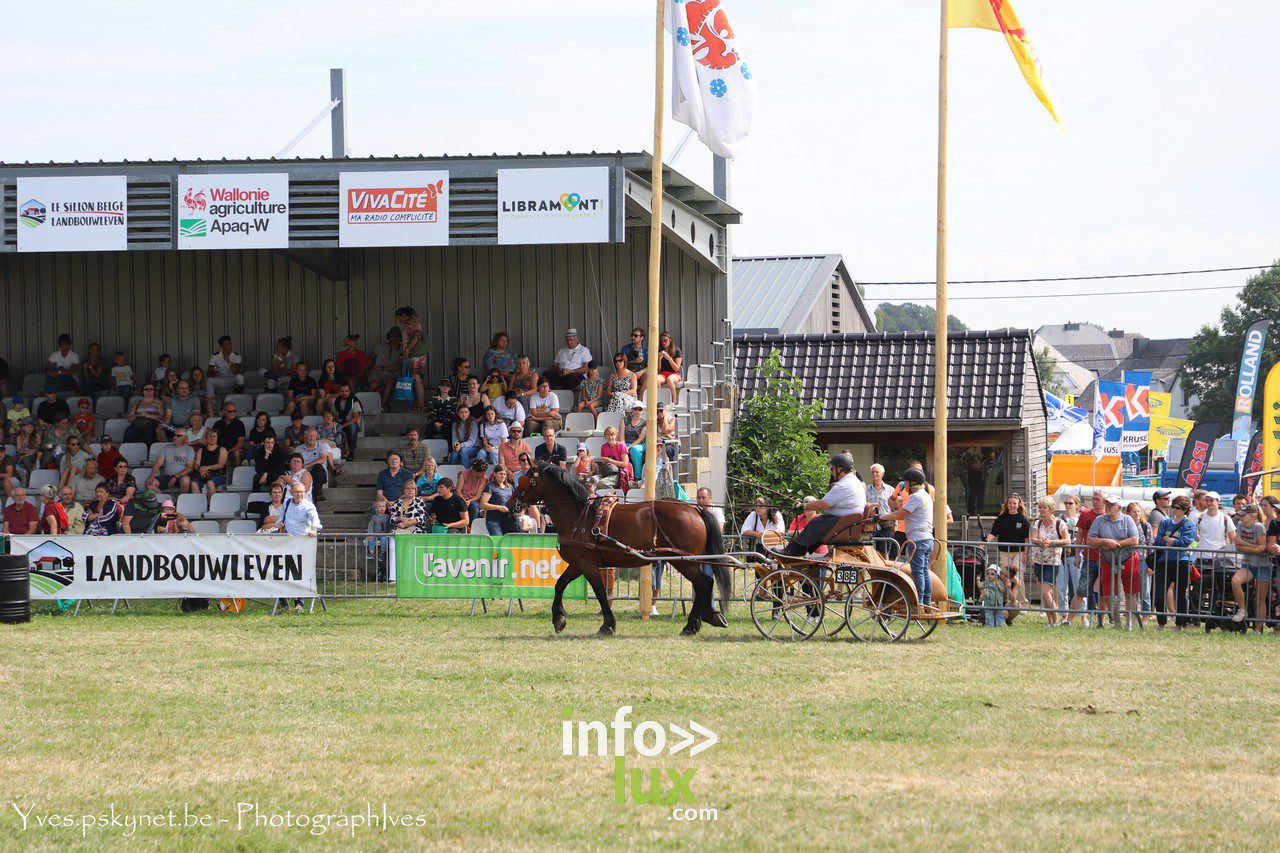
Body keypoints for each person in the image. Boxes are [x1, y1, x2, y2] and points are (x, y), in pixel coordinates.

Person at [879, 467, 934, 606]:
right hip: (927, 539)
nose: (904, 486)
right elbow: (906, 515)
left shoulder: (916, 497)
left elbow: (899, 515)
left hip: (918, 540)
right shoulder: (926, 495)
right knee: (924, 572)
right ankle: (927, 604)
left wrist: (880, 517)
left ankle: (919, 605)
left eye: (906, 483)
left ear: (912, 483)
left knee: (918, 573)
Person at [1087, 494, 1142, 628]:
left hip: (1128, 559)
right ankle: (1116, 621)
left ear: (1118, 507)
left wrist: (1116, 544)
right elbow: (1090, 539)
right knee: (1108, 593)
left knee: (1130, 592)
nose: (1108, 507)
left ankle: (1130, 621)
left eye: (1111, 505)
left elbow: (1135, 540)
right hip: (1108, 560)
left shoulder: (1127, 519)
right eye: (1107, 504)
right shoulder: (1099, 520)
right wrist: (1105, 541)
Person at [1153, 495, 1198, 629]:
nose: (1174, 509)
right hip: (1164, 561)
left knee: (1180, 594)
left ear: (1185, 509)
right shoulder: (1165, 523)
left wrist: (1171, 541)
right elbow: (1158, 540)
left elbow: (1186, 542)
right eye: (1173, 506)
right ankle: (1161, 622)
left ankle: (1180, 623)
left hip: (1181, 562)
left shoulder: (1189, 524)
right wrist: (1171, 542)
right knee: (1159, 594)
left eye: (1177, 507)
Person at [1029, 496, 1070, 626]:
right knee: (1044, 593)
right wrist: (1040, 541)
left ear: (1051, 509)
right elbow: (1033, 539)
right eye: (1040, 507)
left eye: (1044, 507)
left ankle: (1056, 619)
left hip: (1053, 562)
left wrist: (1051, 542)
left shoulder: (1060, 523)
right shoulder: (1038, 523)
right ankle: (1050, 621)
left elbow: (1067, 540)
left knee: (1046, 592)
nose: (1041, 510)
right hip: (1038, 560)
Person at [1230, 504, 1271, 630]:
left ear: (1252, 516)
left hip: (1262, 566)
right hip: (1247, 564)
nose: (1240, 517)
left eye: (1244, 515)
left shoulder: (1259, 527)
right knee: (1235, 581)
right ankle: (1242, 609)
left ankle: (1258, 630)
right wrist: (1251, 547)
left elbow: (1262, 548)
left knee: (1260, 598)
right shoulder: (1240, 525)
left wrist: (1244, 544)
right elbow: (1238, 547)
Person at [986, 495, 1031, 606]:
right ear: (1007, 505)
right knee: (1005, 576)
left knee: (1018, 576)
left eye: (1014, 503)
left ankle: (1021, 603)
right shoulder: (1001, 518)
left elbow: (1027, 538)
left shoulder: (1023, 519)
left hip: (1019, 552)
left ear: (1018, 504)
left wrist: (1025, 553)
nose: (1012, 505)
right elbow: (993, 533)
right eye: (1010, 503)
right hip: (1004, 551)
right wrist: (985, 542)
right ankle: (1006, 601)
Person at [1075, 489, 1107, 622]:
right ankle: (1070, 619)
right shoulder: (1085, 514)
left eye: (1097, 499)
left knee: (1103, 592)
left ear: (1104, 501)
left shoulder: (1108, 516)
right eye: (1093, 499)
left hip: (1105, 559)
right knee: (1081, 589)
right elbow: (1080, 535)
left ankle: (1100, 620)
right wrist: (1077, 554)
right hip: (1089, 558)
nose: (1094, 501)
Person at [394, 306, 430, 410]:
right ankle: (419, 403)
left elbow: (415, 338)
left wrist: (407, 350)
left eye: (399, 317)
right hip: (417, 356)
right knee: (417, 379)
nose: (399, 320)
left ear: (404, 315)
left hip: (415, 357)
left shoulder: (411, 324)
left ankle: (421, 404)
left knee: (416, 379)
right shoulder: (413, 322)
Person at [1056, 495, 1085, 626]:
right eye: (1066, 503)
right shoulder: (1060, 518)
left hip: (1076, 555)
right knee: (1062, 586)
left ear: (1077, 505)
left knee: (1079, 586)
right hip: (1061, 556)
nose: (1067, 505)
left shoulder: (1081, 518)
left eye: (1070, 503)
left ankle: (1083, 615)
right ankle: (1064, 614)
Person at [1196, 491, 1235, 576]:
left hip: (1220, 559)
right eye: (1207, 500)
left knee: (1219, 585)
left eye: (1211, 500)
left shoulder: (1226, 518)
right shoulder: (1199, 517)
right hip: (1202, 557)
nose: (1209, 503)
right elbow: (1194, 537)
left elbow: (1233, 539)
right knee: (1201, 585)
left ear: (1218, 501)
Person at [1127, 501, 1156, 614]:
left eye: (1138, 511)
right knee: (1131, 589)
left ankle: (1146, 613)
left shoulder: (1145, 526)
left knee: (1145, 590)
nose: (1137, 514)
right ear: (1129, 513)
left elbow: (1151, 545)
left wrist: (1151, 565)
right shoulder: (1126, 525)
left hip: (1143, 560)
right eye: (1134, 512)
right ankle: (1132, 612)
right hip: (1129, 560)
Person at [480, 466, 520, 536]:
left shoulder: (510, 487)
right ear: (495, 474)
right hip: (494, 521)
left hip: (508, 520)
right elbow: (483, 505)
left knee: (508, 543)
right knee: (499, 542)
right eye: (501, 474)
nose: (503, 476)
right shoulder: (490, 486)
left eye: (504, 474)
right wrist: (499, 507)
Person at [369, 328, 403, 402]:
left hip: (391, 375)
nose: (394, 338)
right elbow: (370, 358)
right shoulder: (380, 346)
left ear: (400, 338)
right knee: (373, 385)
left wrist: (382, 368)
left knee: (390, 381)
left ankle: (382, 406)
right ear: (388, 337)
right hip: (377, 373)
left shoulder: (402, 350)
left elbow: (398, 366)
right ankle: (366, 404)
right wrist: (370, 368)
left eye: (396, 336)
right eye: (392, 336)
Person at [296, 428, 330, 501]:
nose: (312, 438)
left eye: (314, 436)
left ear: (316, 436)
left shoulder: (322, 446)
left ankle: (317, 494)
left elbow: (322, 459)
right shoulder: (298, 449)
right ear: (304, 437)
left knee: (318, 467)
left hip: (318, 475)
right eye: (309, 436)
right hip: (303, 474)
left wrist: (307, 465)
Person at [192, 431, 228, 497]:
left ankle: (211, 505)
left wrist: (207, 468)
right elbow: (196, 464)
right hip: (202, 474)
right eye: (210, 436)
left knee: (210, 483)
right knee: (194, 484)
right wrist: (200, 469)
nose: (212, 438)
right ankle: (200, 504)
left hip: (218, 475)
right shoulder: (201, 450)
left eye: (214, 436)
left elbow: (221, 465)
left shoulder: (222, 449)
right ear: (206, 438)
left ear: (217, 438)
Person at [213, 402, 247, 467]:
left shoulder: (239, 423)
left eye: (234, 411)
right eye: (229, 411)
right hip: (220, 450)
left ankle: (237, 475)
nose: (232, 413)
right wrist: (221, 451)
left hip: (234, 450)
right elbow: (214, 440)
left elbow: (240, 443)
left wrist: (228, 451)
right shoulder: (217, 424)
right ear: (223, 411)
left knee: (236, 453)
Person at [598, 425, 632, 491]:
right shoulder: (604, 447)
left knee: (602, 483)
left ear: (615, 436)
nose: (610, 437)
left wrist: (610, 460)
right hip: (608, 472)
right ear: (605, 437)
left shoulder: (622, 445)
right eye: (608, 435)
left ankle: (615, 497)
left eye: (612, 435)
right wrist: (604, 461)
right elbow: (604, 463)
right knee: (591, 480)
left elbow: (625, 464)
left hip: (620, 473)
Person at [332, 383, 363, 455]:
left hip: (351, 423)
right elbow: (333, 415)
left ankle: (351, 451)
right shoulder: (336, 401)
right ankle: (338, 453)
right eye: (342, 391)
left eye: (346, 391)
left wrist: (342, 426)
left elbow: (355, 419)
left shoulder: (354, 401)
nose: (344, 393)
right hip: (340, 422)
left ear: (349, 392)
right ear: (339, 392)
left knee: (352, 427)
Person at [366, 498, 393, 579]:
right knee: (371, 538)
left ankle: (382, 553)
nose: (382, 508)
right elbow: (370, 525)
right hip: (375, 533)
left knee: (384, 539)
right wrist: (370, 533)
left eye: (383, 506)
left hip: (384, 534)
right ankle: (372, 552)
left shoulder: (388, 517)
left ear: (386, 507)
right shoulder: (374, 517)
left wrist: (389, 533)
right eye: (380, 506)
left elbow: (389, 526)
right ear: (376, 508)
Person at [653, 331, 683, 403]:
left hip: (675, 374)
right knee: (655, 379)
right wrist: (659, 360)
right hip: (663, 373)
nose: (663, 343)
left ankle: (674, 402)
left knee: (669, 379)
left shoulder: (677, 350)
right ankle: (660, 401)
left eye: (665, 340)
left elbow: (676, 368)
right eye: (662, 341)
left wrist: (669, 358)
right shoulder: (660, 350)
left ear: (670, 340)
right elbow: (659, 370)